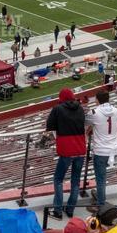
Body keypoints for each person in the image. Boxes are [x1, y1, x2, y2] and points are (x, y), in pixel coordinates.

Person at [46, 88, 86, 220]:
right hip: (80, 148)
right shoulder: (80, 108)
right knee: (75, 181)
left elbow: (50, 126)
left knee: (58, 179)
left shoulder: (57, 109)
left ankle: (57, 210)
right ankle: (70, 210)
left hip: (66, 149)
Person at [87, 91, 117, 209]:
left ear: (97, 100)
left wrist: (92, 127)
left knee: (100, 178)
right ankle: (101, 197)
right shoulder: (115, 110)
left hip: (101, 149)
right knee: (102, 177)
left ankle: (101, 203)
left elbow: (85, 122)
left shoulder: (94, 112)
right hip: (112, 148)